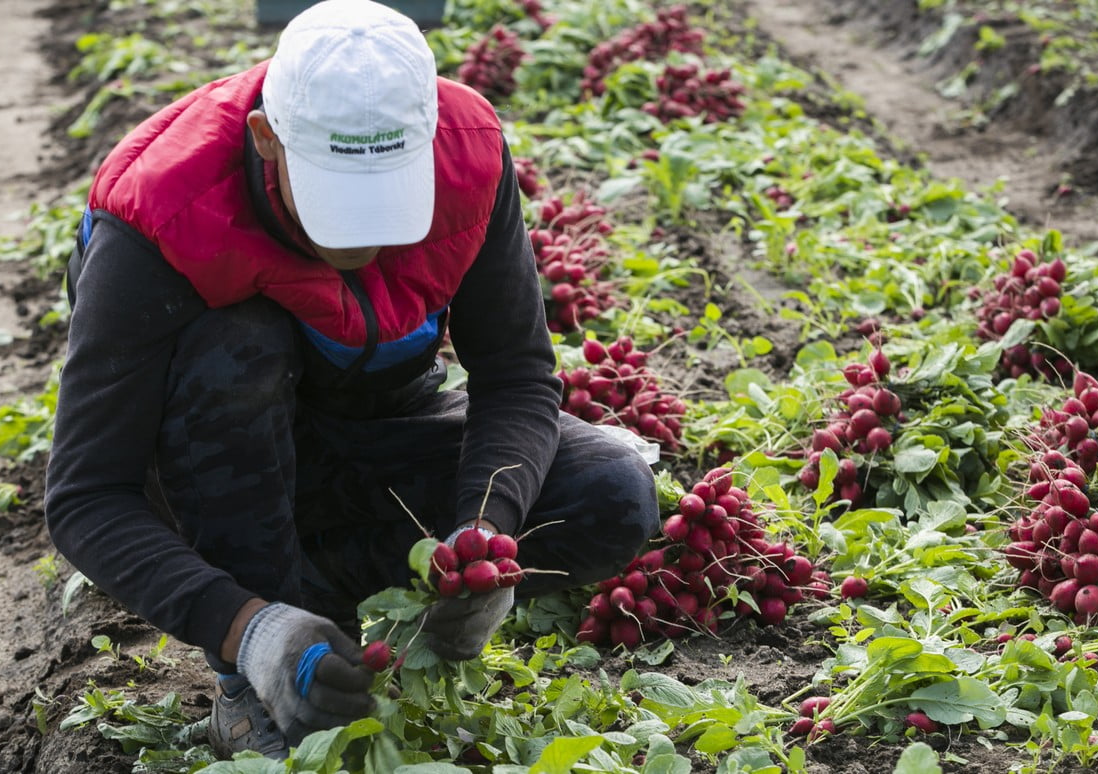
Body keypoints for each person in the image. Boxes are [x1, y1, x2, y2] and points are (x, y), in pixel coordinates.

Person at [44, 0, 659, 761]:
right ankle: (258, 664)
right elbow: (85, 496)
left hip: (378, 425)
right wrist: (250, 627)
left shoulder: (468, 155)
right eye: (340, 206)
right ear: (268, 139)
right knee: (237, 343)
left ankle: (321, 590)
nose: (367, 240)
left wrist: (483, 532)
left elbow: (515, 375)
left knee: (611, 491)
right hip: (211, 466)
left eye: (388, 205)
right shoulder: (163, 212)